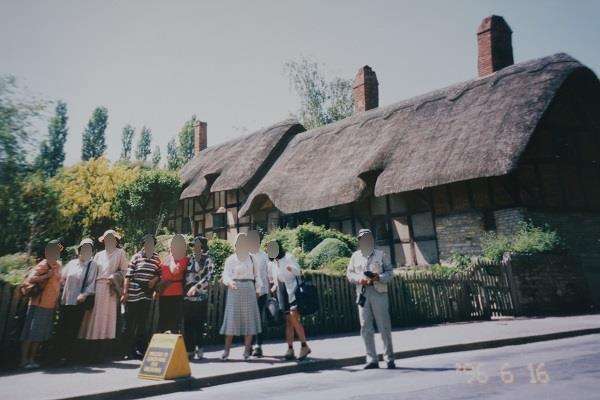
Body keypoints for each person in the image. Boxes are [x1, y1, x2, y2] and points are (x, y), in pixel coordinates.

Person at [346, 229, 395, 369]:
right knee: (365, 327)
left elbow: (390, 273)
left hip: (379, 292)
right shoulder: (355, 256)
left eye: (368, 237)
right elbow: (349, 274)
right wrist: (359, 279)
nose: (366, 240)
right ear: (359, 241)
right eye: (363, 238)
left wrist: (379, 277)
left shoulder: (381, 254)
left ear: (372, 239)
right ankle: (372, 359)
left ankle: (389, 358)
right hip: (362, 293)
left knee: (384, 326)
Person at [79, 230, 128, 361]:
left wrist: (115, 277)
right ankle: (91, 352)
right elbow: (92, 272)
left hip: (110, 288)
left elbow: (124, 271)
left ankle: (104, 352)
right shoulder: (99, 255)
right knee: (94, 318)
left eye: (112, 238)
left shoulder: (120, 253)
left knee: (108, 319)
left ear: (116, 240)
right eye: (107, 238)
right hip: (97, 288)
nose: (109, 240)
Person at [20, 239, 63, 369]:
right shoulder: (44, 264)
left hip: (49, 305)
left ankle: (32, 360)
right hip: (38, 303)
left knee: (39, 334)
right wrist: (45, 276)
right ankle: (23, 360)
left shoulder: (58, 265)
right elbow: (30, 279)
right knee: (30, 333)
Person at [219, 232, 263, 361]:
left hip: (249, 289)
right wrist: (229, 282)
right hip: (235, 289)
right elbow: (225, 275)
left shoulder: (252, 258)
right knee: (232, 320)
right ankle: (226, 351)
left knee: (249, 321)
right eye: (240, 242)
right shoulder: (231, 259)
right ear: (236, 244)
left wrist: (258, 289)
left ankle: (246, 351)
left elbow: (257, 276)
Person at [267, 239, 311, 361]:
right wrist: (274, 286)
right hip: (282, 294)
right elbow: (274, 279)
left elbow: (299, 271)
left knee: (294, 319)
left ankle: (304, 346)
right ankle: (290, 349)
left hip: (293, 292)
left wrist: (291, 268)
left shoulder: (288, 257)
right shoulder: (272, 264)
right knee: (288, 322)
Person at [56, 238, 98, 364]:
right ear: (79, 250)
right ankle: (57, 355)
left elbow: (91, 283)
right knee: (61, 327)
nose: (86, 251)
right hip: (66, 299)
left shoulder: (92, 265)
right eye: (84, 248)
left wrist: (84, 295)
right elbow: (61, 278)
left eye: (89, 249)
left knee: (73, 329)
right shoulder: (72, 263)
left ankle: (68, 357)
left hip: (79, 301)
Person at [121, 234, 161, 359]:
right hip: (133, 292)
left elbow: (160, 273)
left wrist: (155, 279)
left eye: (151, 243)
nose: (149, 245)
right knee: (129, 324)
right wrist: (125, 293)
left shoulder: (157, 258)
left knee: (142, 324)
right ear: (143, 244)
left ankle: (141, 350)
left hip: (146, 293)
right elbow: (128, 276)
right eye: (147, 243)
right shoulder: (136, 257)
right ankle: (126, 351)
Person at [183, 235, 214, 360]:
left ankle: (199, 348)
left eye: (198, 246)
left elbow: (208, 277)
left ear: (202, 247)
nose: (195, 248)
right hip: (187, 297)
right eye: (193, 246)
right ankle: (189, 350)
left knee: (199, 324)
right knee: (188, 324)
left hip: (200, 297)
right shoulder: (188, 259)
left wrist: (196, 287)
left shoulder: (208, 260)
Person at [157, 234, 188, 333]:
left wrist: (171, 257)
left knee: (174, 323)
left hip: (176, 293)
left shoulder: (183, 259)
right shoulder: (166, 258)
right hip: (164, 293)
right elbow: (160, 272)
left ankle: (174, 346)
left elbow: (174, 270)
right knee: (162, 321)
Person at [247, 230, 270, 357]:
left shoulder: (264, 256)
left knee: (259, 319)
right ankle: (249, 345)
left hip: (261, 292)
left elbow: (268, 274)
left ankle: (258, 345)